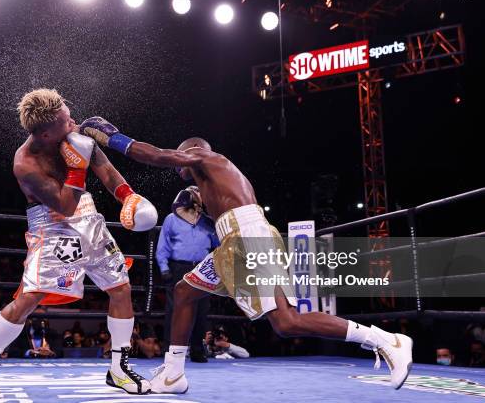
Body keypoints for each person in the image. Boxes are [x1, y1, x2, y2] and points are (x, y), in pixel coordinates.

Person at [80, 119, 414, 393]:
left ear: (193, 150)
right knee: (183, 292)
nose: (181, 167)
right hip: (233, 243)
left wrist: (113, 138)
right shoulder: (215, 183)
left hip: (249, 239)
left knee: (286, 322)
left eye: (184, 157)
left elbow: (157, 156)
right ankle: (173, 373)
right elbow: (221, 218)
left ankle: (384, 339)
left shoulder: (207, 158)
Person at [0, 89, 157, 398]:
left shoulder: (76, 132)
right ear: (45, 133)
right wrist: (75, 168)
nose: (72, 120)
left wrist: (128, 196)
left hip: (89, 219)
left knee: (120, 287)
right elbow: (63, 206)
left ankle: (119, 370)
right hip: (53, 225)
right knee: (30, 299)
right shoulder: (26, 164)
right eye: (64, 120)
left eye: (68, 113)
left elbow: (106, 170)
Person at [156, 186, 218, 362]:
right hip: (178, 268)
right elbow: (163, 246)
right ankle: (169, 350)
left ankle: (198, 350)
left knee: (201, 310)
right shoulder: (171, 219)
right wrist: (165, 269)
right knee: (174, 309)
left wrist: (215, 224)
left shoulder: (206, 221)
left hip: (202, 267)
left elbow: (218, 243)